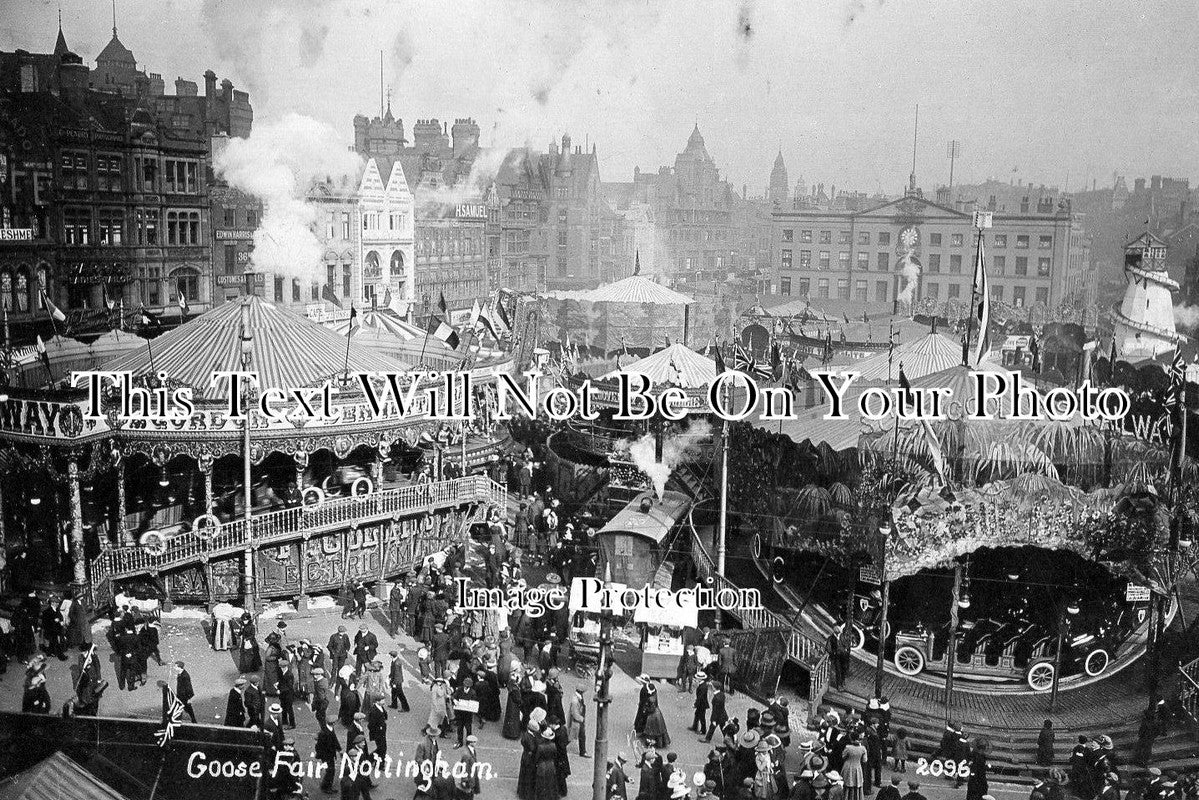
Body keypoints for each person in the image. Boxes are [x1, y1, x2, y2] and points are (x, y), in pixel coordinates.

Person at [316, 717, 341, 795]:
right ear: (333, 723)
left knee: (330, 771)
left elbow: (334, 739)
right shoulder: (323, 733)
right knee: (330, 771)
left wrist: (338, 748)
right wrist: (323, 757)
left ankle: (326, 785)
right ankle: (326, 787)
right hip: (326, 756)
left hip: (330, 754)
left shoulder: (330, 729)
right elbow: (319, 746)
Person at [533, 726, 560, 800]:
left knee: (541, 783)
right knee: (550, 782)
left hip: (542, 766)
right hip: (551, 765)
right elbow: (555, 756)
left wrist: (536, 763)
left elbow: (537, 757)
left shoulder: (540, 747)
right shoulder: (553, 746)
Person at [841, 734, 866, 800]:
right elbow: (864, 760)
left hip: (848, 766)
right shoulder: (863, 748)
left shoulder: (848, 747)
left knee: (847, 784)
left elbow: (843, 756)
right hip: (857, 766)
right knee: (857, 784)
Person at [568, 687, 588, 757]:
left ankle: (583, 751)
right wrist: (582, 719)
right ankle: (583, 752)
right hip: (577, 722)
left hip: (578, 721)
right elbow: (575, 713)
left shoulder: (577, 698)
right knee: (574, 736)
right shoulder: (575, 701)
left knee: (579, 736)